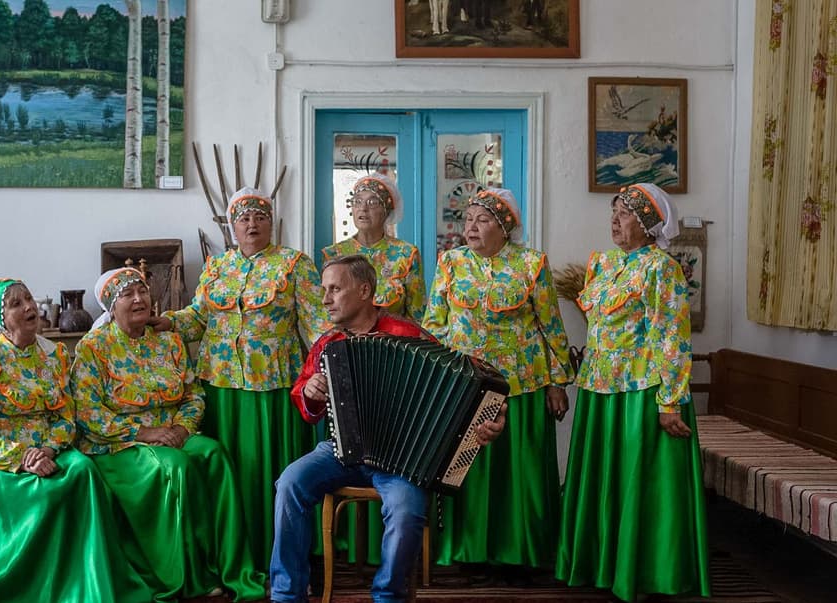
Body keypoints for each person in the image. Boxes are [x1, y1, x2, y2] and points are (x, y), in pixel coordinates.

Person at [0, 278, 154, 603]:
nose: (30, 307)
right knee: (45, 494)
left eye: (30, 299)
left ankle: (87, 582)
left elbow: (66, 417)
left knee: (84, 471)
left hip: (50, 447)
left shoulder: (55, 354)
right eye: (16, 304)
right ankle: (36, 586)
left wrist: (47, 449)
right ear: (1, 319)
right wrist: (24, 458)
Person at [269, 255, 508, 603]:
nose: (325, 299)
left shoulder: (408, 334)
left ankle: (388, 596)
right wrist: (310, 391)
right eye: (324, 290)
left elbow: (467, 379)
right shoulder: (326, 344)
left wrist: (493, 413)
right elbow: (307, 408)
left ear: (365, 290)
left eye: (335, 289)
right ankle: (287, 595)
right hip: (339, 451)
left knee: (407, 508)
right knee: (290, 482)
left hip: (400, 462)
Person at [70, 267, 266, 601]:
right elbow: (88, 413)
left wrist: (180, 428)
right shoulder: (94, 348)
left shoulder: (170, 341)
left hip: (173, 433)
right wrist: (145, 433)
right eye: (128, 294)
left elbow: (193, 395)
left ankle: (231, 569)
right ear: (112, 307)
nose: (138, 299)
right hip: (120, 445)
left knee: (214, 454)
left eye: (143, 292)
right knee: (177, 466)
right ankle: (190, 576)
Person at [157, 187, 330, 565]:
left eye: (260, 217)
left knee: (268, 473)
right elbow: (198, 319)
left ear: (272, 223)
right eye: (244, 218)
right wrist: (167, 322)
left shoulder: (294, 264)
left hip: (272, 386)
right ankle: (228, 556)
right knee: (228, 472)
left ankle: (280, 554)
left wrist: (332, 368)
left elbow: (318, 325)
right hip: (218, 385)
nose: (252, 224)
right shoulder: (217, 267)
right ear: (232, 227)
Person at [556, 183, 710, 601]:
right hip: (599, 386)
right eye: (614, 212)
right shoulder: (603, 263)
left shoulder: (662, 268)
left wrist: (670, 401)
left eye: (625, 214)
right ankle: (600, 564)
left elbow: (672, 337)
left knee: (634, 482)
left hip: (641, 391)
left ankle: (640, 571)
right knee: (602, 479)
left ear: (647, 224)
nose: (615, 220)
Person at [422, 186, 574, 579]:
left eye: (483, 220)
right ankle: (467, 552)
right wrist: (434, 376)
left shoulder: (532, 264)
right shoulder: (450, 263)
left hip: (521, 384)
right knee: (466, 468)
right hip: (464, 385)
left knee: (518, 473)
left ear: (505, 228)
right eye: (468, 219)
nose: (471, 227)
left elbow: (550, 326)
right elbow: (435, 324)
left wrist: (557, 382)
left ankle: (521, 554)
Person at [322, 173, 425, 322]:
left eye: (372, 202)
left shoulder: (406, 254)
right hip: (346, 335)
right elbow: (326, 314)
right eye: (357, 201)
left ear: (386, 211)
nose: (363, 208)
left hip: (394, 335)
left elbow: (418, 315)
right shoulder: (334, 254)